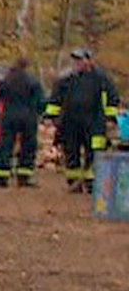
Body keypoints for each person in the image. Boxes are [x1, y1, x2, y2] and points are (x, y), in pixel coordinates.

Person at [46, 47, 120, 194]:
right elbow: (55, 100)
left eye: (80, 60)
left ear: (90, 61)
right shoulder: (67, 79)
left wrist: (110, 119)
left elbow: (112, 99)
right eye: (75, 60)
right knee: (71, 152)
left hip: (95, 124)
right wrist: (51, 117)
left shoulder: (102, 79)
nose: (77, 63)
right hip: (71, 124)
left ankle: (92, 182)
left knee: (94, 153)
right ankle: (74, 182)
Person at [0, 56, 44, 188]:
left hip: (9, 115)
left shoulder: (6, 80)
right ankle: (24, 177)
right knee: (28, 146)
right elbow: (40, 101)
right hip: (28, 116)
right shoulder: (33, 81)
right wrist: (39, 113)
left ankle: (1, 178)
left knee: (5, 146)